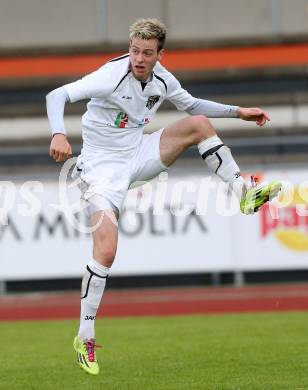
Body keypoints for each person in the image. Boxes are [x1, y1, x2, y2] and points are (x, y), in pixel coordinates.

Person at [46, 18, 281, 375]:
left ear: (159, 54)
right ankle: (85, 336)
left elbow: (190, 104)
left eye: (147, 53)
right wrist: (58, 133)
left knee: (199, 124)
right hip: (99, 169)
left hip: (138, 155)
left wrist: (238, 112)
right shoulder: (111, 76)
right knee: (107, 250)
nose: (139, 58)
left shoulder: (162, 79)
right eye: (135, 50)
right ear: (130, 47)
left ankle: (243, 194)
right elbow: (56, 95)